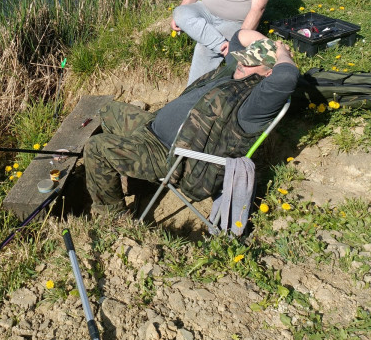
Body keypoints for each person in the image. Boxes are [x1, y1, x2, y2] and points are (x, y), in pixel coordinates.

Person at [84, 31, 298, 216]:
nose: (242, 63)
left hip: (170, 156)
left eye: (252, 62)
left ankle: (113, 216)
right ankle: (138, 181)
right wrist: (274, 44)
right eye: (244, 57)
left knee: (97, 148)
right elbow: (240, 35)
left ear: (269, 72)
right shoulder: (234, 70)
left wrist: (283, 54)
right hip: (151, 128)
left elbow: (286, 78)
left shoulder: (255, 103)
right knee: (108, 110)